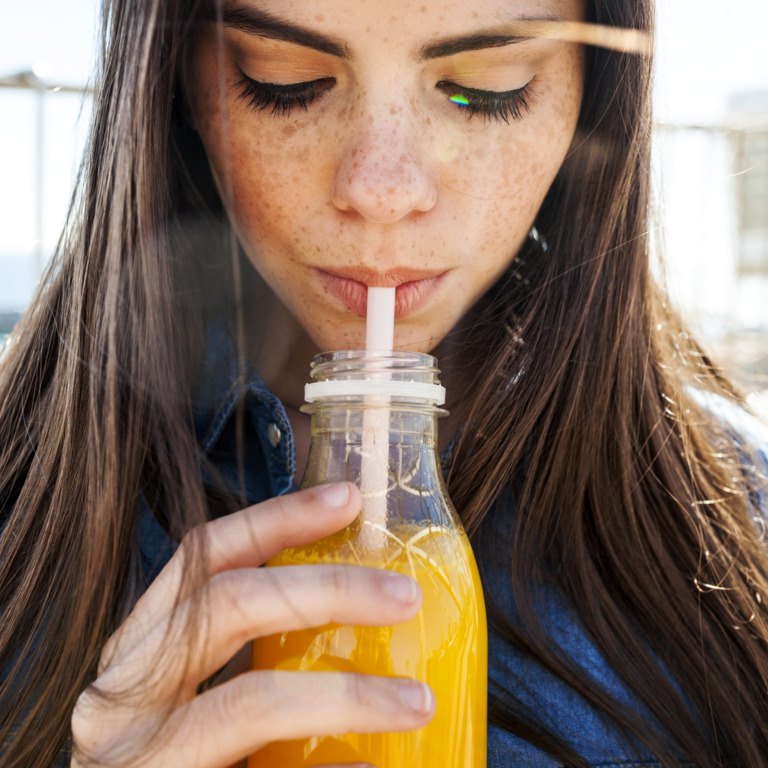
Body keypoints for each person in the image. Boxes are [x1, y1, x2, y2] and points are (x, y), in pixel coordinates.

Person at [1, 0, 767, 765]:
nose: (383, 191)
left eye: (485, 88)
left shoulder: (739, 527)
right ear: (175, 80)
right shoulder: (20, 510)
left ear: (591, 93)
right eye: (285, 80)